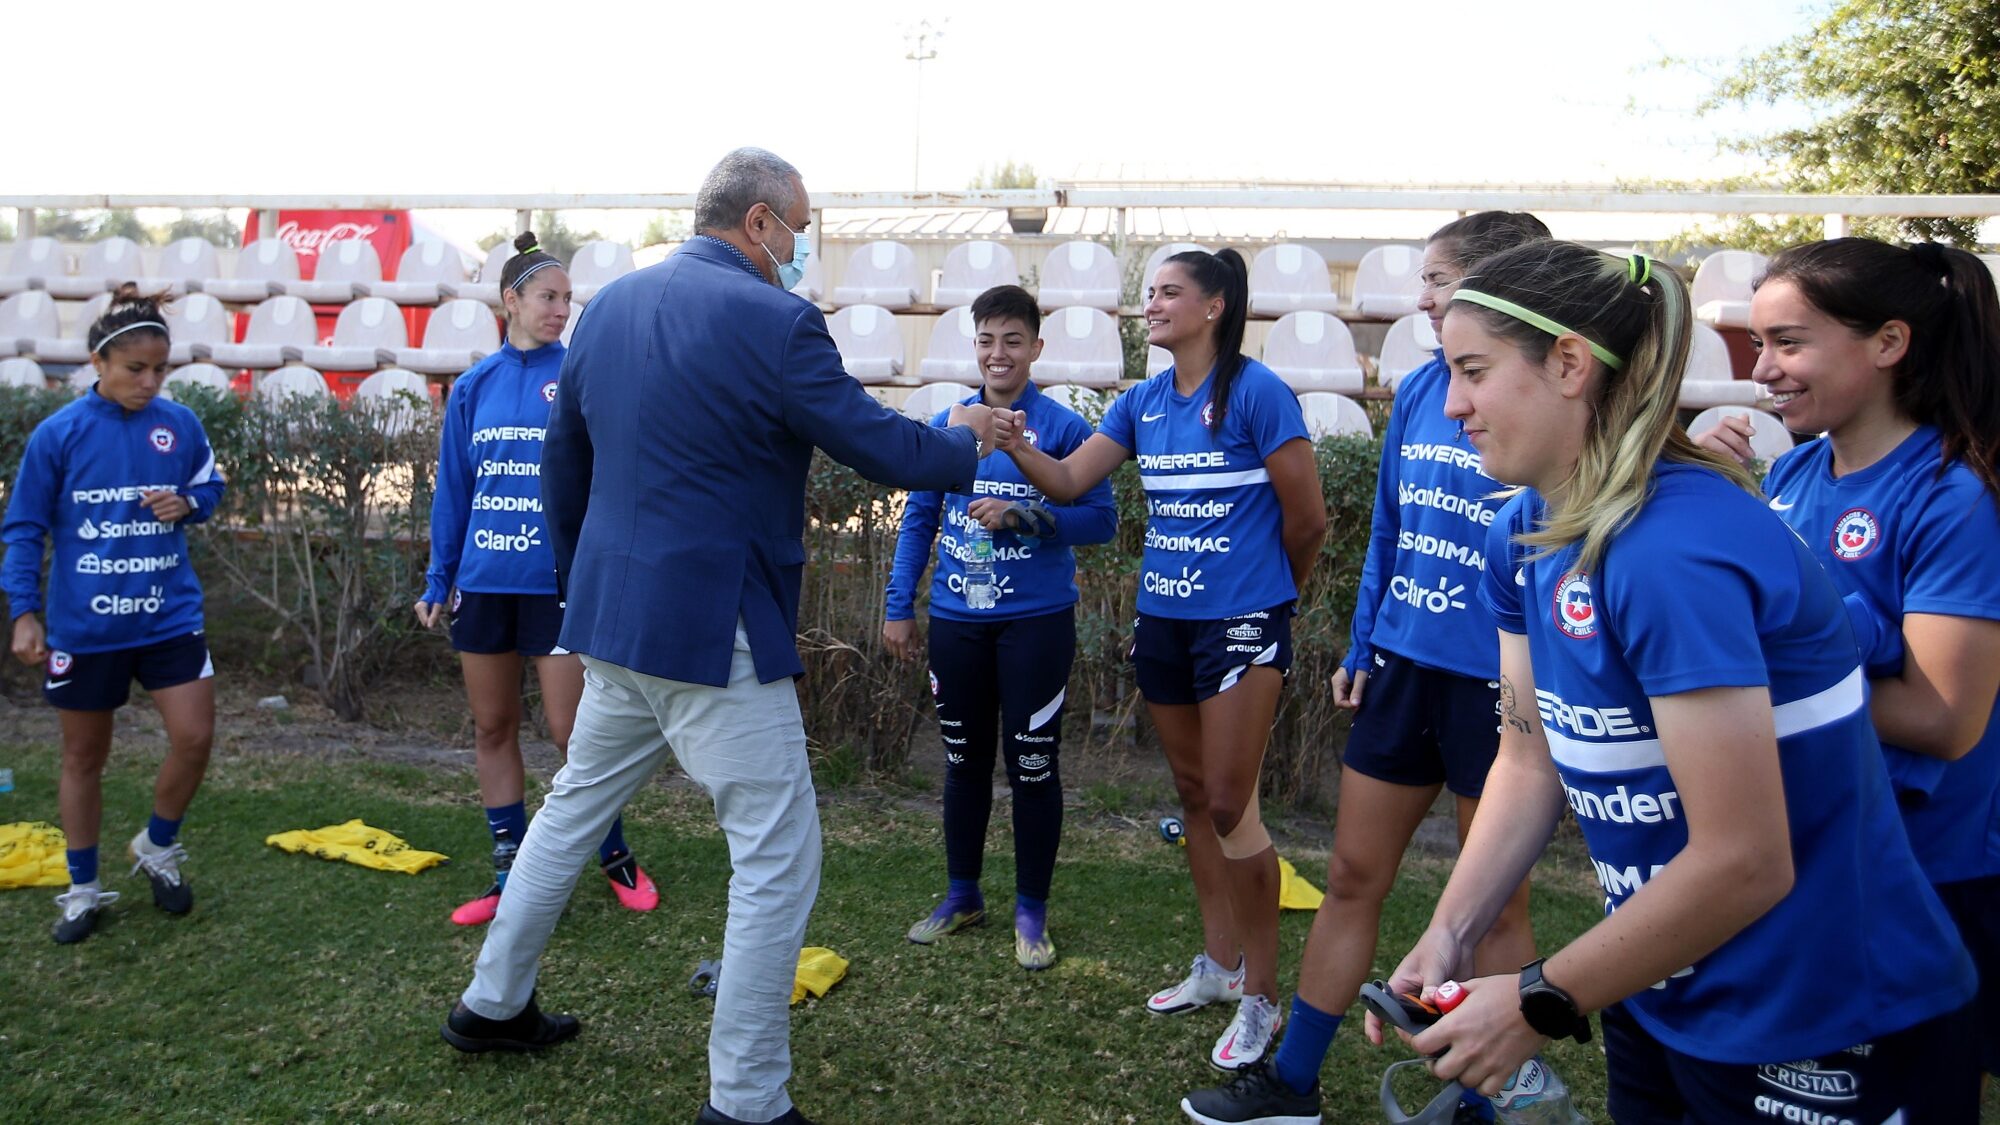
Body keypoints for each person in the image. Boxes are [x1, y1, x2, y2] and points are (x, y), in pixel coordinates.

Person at [1350, 241, 1975, 1125]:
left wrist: (1540, 997)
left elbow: (1744, 858)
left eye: (1473, 371)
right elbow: (1529, 763)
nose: (1452, 405)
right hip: (1664, 983)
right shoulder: (1523, 535)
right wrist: (1451, 932)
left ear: (1569, 363)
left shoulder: (1670, 551)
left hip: (1827, 1011)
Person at [439, 147, 995, 1125]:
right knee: (777, 857)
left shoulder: (607, 307)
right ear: (758, 224)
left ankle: (492, 1003)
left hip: (611, 624)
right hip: (711, 634)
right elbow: (873, 444)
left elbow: (562, 468)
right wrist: (967, 442)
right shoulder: (778, 319)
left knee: (569, 816)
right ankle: (744, 1102)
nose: (802, 243)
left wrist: (584, 593)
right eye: (799, 224)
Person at [1180, 213, 1550, 1122]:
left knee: (1496, 907)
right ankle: (1293, 1082)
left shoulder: (1549, 403)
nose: (1420, 298)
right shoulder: (1424, 389)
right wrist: (1365, 640)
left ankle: (1494, 1096)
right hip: (1403, 670)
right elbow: (1390, 525)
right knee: (1350, 877)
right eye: (1423, 281)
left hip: (1501, 687)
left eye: (1440, 280)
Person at [991, 248, 1326, 1071]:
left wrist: (1271, 601)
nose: (1151, 306)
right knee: (1192, 794)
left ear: (1214, 306)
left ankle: (1262, 996)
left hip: (1243, 622)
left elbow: (1309, 517)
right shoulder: (1142, 400)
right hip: (1165, 620)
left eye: (1169, 292)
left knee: (1227, 799)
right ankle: (1217, 966)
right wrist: (1012, 442)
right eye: (1148, 294)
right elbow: (1070, 482)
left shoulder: (1255, 390)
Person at [1746, 238, 2000, 1079]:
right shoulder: (1794, 473)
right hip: (1825, 845)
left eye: (1789, 343)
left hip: (1933, 867)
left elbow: (1944, 719)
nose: (1764, 370)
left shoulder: (1954, 495)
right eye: (1759, 345)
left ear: (1889, 343)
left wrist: (1756, 681)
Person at [416, 230, 657, 926]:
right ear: (511, 299)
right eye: (548, 297)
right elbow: (453, 491)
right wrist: (439, 578)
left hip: (557, 584)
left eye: (566, 299)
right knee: (492, 726)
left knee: (570, 732)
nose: (560, 309)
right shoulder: (474, 386)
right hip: (484, 584)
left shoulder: (577, 372)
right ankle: (507, 871)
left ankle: (613, 853)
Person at [884, 284, 1117, 971]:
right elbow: (919, 518)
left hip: (1036, 625)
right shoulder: (950, 423)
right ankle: (963, 894)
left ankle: (1030, 910)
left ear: (1036, 348)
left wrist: (1024, 516)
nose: (998, 352)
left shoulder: (1066, 428)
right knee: (963, 763)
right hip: (957, 622)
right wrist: (902, 604)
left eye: (1013, 339)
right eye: (986, 339)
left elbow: (1100, 520)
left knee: (1033, 766)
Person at [2, 286, 226, 943]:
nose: (151, 381)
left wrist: (189, 502)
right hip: (85, 627)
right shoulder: (59, 434)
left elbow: (210, 485)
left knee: (194, 737)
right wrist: (25, 613)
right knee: (83, 757)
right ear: (98, 362)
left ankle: (157, 844)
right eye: (136, 368)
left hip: (168, 616)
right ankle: (82, 887)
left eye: (162, 369)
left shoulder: (180, 424)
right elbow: (23, 528)